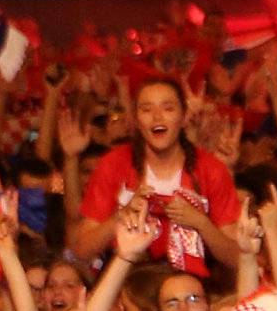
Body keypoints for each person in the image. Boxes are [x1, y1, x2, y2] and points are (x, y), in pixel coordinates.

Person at [70, 77, 242, 276]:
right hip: (127, 285)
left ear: (184, 117)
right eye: (146, 109)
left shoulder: (211, 170)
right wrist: (120, 216)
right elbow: (81, 251)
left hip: (192, 288)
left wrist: (201, 223)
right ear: (135, 119)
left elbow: (237, 258)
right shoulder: (113, 164)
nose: (157, 117)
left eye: (168, 108)